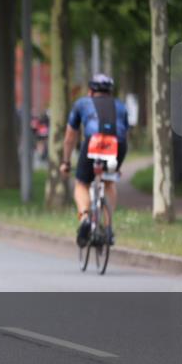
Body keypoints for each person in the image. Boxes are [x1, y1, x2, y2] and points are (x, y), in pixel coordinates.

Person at [60, 74, 130, 247]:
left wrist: (66, 162)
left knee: (81, 183)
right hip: (117, 145)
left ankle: (84, 218)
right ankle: (108, 228)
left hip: (93, 142)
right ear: (110, 92)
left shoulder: (82, 103)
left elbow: (70, 136)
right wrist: (118, 166)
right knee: (109, 182)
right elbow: (124, 135)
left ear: (90, 91)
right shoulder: (120, 106)